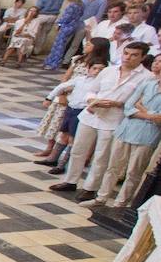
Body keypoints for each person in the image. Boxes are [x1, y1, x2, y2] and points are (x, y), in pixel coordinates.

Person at [52, 42, 152, 202]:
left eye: (134, 55)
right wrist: (92, 100)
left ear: (142, 57)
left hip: (114, 118)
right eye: (126, 53)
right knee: (78, 149)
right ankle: (70, 180)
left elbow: (141, 101)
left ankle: (90, 188)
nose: (128, 57)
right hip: (91, 113)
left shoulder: (146, 77)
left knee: (101, 155)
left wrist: (118, 104)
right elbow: (92, 89)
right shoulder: (109, 70)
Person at [90, 55, 161, 209]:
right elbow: (129, 106)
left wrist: (142, 109)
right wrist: (149, 114)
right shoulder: (148, 83)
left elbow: (159, 118)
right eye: (156, 61)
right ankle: (101, 198)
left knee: (134, 172)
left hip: (147, 135)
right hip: (126, 129)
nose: (157, 64)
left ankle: (120, 204)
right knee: (113, 167)